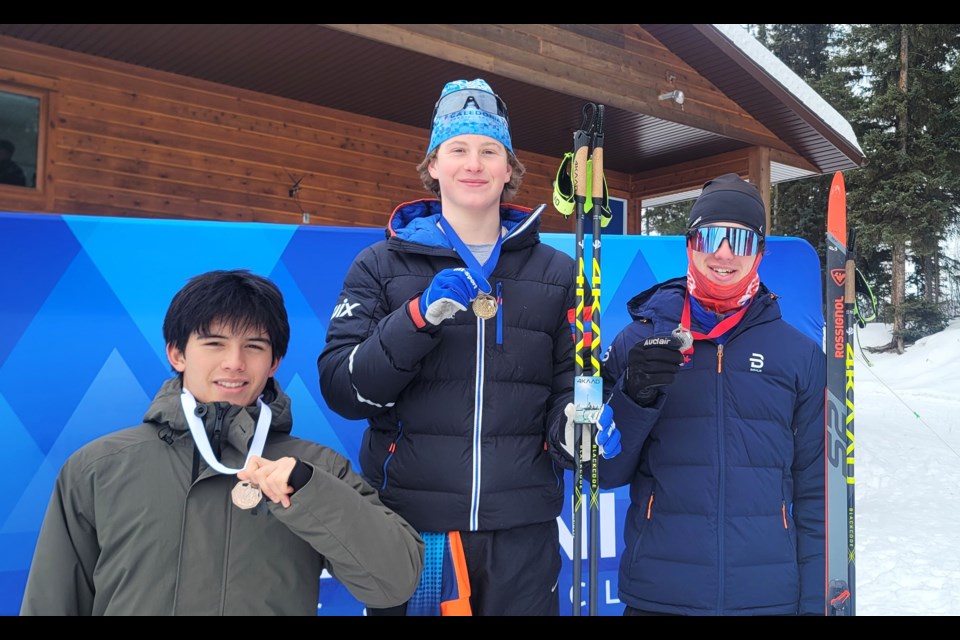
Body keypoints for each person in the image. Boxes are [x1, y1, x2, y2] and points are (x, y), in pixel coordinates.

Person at [20, 269, 424, 616]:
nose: (234, 362)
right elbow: (52, 602)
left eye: (254, 346)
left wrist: (308, 491)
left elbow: (394, 582)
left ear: (274, 362)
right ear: (177, 354)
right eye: (214, 344)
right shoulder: (98, 468)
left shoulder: (316, 469)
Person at [318, 78, 577, 616]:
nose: (474, 164)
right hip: (416, 524)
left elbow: (565, 388)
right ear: (433, 165)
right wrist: (415, 319)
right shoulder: (380, 265)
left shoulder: (557, 272)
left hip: (522, 529)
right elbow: (345, 390)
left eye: (489, 151)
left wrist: (576, 426)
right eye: (457, 149)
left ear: (510, 170)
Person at [560, 174, 826, 615]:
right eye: (710, 237)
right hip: (660, 593)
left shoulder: (797, 354)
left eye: (739, 241)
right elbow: (599, 474)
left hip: (766, 596)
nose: (722, 254)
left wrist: (815, 602)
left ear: (759, 252)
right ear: (690, 244)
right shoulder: (636, 342)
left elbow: (816, 490)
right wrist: (635, 395)